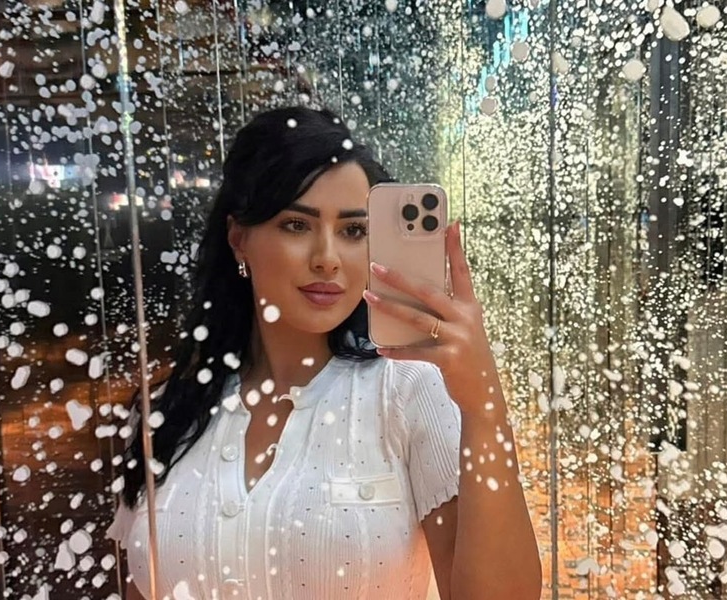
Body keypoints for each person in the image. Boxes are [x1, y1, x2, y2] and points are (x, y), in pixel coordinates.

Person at [106, 106, 542, 600]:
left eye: (353, 231)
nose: (328, 259)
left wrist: (484, 407)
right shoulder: (169, 411)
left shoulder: (406, 391)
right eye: (297, 224)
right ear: (239, 239)